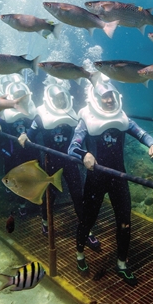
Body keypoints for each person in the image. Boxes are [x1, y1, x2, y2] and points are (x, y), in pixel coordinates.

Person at [67, 74, 153, 286]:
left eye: (111, 96)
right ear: (95, 98)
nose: (108, 100)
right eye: (104, 97)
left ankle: (122, 264)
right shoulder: (86, 120)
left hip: (119, 177)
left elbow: (142, 133)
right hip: (96, 179)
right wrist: (84, 155)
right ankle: (80, 254)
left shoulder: (122, 118)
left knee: (125, 221)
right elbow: (72, 147)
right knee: (88, 219)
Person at [17, 78, 100, 248]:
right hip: (51, 162)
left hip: (70, 161)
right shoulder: (41, 117)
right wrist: (24, 135)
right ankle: (45, 222)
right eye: (57, 98)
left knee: (78, 195)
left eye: (62, 98)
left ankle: (86, 230)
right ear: (50, 99)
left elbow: (83, 134)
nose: (60, 101)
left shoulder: (72, 115)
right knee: (50, 195)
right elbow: (31, 134)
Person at [0, 74, 39, 214]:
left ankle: (31, 199)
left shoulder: (31, 108)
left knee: (30, 175)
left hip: (29, 150)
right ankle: (21, 204)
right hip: (13, 151)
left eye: (22, 94)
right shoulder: (6, 108)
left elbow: (39, 121)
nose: (20, 97)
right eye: (16, 95)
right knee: (15, 176)